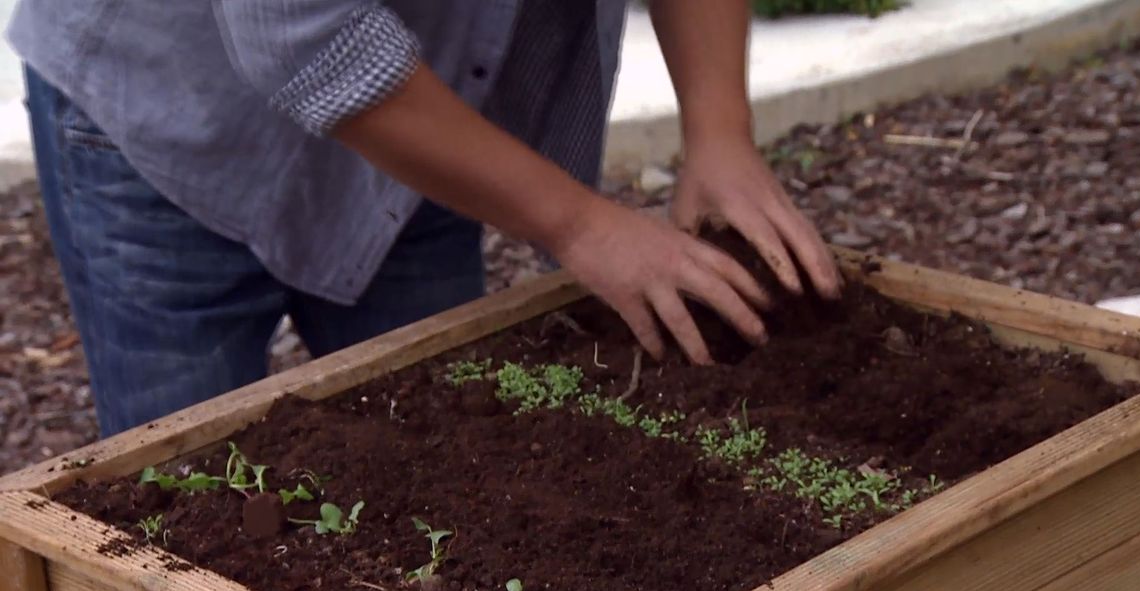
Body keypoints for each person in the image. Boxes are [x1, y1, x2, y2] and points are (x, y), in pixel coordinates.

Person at [6, 1, 843, 438]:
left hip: (428, 110)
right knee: (182, 502)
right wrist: (580, 226)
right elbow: (300, 32)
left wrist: (720, 129)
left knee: (451, 448)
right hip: (172, 111)